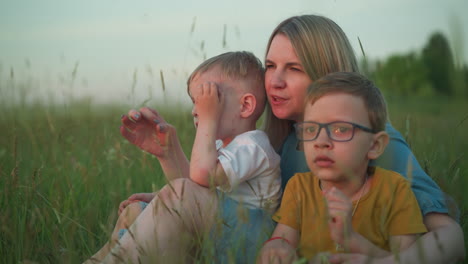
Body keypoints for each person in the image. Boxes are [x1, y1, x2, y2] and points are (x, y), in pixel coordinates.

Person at [92, 15, 465, 264]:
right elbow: (245, 201)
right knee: (138, 211)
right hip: (269, 242)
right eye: (270, 66)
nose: (275, 80)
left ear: (325, 74)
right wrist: (166, 185)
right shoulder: (284, 140)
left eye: (294, 69)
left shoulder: (368, 142)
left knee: (182, 199)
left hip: (288, 252)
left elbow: (451, 238)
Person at [86, 51, 282, 263]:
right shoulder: (220, 146)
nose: (196, 111)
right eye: (194, 101)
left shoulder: (253, 145)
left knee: (176, 194)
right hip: (221, 232)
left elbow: (197, 181)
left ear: (245, 106)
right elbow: (193, 191)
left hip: (250, 244)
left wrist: (208, 120)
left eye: (208, 99)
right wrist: (168, 154)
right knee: (134, 211)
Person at [258, 72, 428, 263]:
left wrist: (351, 239)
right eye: (311, 129)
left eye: (340, 129)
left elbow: (405, 259)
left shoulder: (394, 190)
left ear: (374, 145)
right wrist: (277, 246)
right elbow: (283, 237)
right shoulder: (299, 188)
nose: (321, 142)